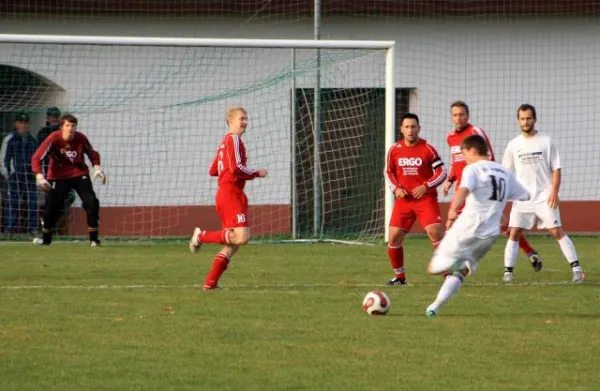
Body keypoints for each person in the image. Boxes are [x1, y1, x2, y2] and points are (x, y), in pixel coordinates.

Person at [426, 135, 530, 316]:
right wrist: (499, 209)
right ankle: (435, 305)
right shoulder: (504, 172)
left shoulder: (472, 169)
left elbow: (464, 189)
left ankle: (454, 258)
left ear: (473, 151)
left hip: (468, 226)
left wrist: (453, 209)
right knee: (461, 271)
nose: (464, 158)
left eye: (464, 154)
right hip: (489, 235)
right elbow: (525, 196)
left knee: (434, 267)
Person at [442, 101, 542, 270]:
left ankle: (529, 251)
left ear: (468, 115)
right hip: (464, 187)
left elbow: (488, 156)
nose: (459, 118)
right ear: (451, 117)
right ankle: (458, 263)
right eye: (455, 115)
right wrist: (450, 180)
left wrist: (490, 183)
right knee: (453, 223)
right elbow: (456, 163)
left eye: (462, 114)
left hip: (481, 187)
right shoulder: (450, 137)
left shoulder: (475, 132)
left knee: (499, 223)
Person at [502, 104, 584, 283]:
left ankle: (577, 269)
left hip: (544, 196)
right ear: (518, 121)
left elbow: (556, 168)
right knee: (514, 232)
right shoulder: (513, 145)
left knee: (556, 231)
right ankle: (508, 272)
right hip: (522, 198)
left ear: (535, 119)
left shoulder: (546, 141)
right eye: (522, 119)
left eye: (528, 118)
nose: (525, 121)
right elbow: (506, 173)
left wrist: (554, 191)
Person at [189, 107, 268, 290]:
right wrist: (257, 172)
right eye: (241, 118)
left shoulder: (224, 143)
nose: (245, 122)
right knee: (242, 237)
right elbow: (236, 168)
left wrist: (225, 168)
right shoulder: (233, 139)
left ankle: (210, 283)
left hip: (228, 193)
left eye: (246, 119)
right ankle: (201, 236)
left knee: (232, 243)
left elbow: (213, 170)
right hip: (231, 193)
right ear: (230, 121)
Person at [383, 112, 447, 285]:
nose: (410, 130)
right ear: (401, 129)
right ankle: (400, 277)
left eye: (413, 127)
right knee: (394, 237)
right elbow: (388, 172)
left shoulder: (427, 149)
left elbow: (442, 172)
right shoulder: (394, 150)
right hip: (404, 201)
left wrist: (426, 186)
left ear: (419, 128)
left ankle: (448, 274)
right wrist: (395, 188)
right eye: (407, 127)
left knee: (435, 232)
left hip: (425, 199)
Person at [30, 114, 107, 246]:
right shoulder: (54, 138)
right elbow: (36, 157)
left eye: (73, 125)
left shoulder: (80, 138)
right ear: (61, 127)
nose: (70, 128)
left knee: (91, 202)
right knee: (52, 209)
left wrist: (97, 167)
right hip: (58, 177)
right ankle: (45, 239)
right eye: (67, 125)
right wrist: (39, 176)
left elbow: (92, 153)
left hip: (79, 174)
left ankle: (94, 240)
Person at [0, 112, 39, 234]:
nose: (24, 125)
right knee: (12, 202)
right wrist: (7, 174)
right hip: (14, 176)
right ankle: (9, 230)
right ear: (16, 123)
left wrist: (37, 175)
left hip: (30, 177)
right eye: (21, 122)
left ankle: (32, 229)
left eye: (26, 122)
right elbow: (3, 158)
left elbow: (37, 159)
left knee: (32, 202)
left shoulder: (34, 141)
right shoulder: (10, 139)